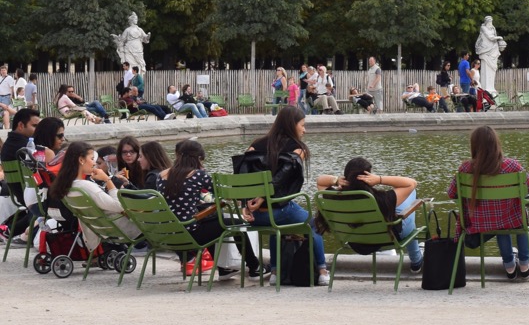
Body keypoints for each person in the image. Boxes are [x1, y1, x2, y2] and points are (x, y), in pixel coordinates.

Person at [244, 106, 328, 285]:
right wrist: (264, 196)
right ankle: (322, 271)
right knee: (314, 225)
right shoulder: (298, 149)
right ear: (292, 125)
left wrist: (246, 204)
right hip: (278, 210)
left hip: (253, 216)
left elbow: (243, 178)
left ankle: (275, 273)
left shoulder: (255, 145)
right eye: (302, 125)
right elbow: (281, 177)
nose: (304, 130)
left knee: (279, 227)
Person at [157, 139, 264, 278]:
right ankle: (255, 267)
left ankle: (223, 269)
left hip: (171, 234)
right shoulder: (197, 175)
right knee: (236, 224)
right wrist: (248, 201)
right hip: (191, 234)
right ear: (198, 158)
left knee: (212, 222)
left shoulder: (161, 176)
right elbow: (225, 194)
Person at [447, 126, 529, 280]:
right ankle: (524, 265)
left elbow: (451, 194)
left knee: (500, 221)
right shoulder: (511, 166)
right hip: (510, 219)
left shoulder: (465, 168)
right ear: (496, 143)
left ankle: (509, 267)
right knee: (517, 215)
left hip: (480, 224)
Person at [317, 157, 422, 272]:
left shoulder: (335, 197)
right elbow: (411, 183)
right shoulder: (381, 199)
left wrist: (336, 180)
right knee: (409, 201)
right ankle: (416, 262)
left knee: (397, 207)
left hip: (356, 243)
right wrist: (380, 179)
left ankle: (415, 260)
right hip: (388, 238)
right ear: (369, 176)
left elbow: (320, 181)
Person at [46, 141, 142, 252]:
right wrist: (107, 179)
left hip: (100, 229)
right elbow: (118, 206)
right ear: (81, 160)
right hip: (120, 228)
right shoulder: (86, 186)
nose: (94, 164)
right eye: (92, 159)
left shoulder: (67, 186)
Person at [474, 16, 506, 93]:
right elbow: (490, 37)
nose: (490, 23)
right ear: (486, 22)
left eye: (491, 21)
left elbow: (493, 36)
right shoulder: (483, 28)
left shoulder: (492, 28)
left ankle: (491, 88)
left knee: (492, 69)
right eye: (489, 21)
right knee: (487, 68)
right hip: (486, 49)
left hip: (492, 49)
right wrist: (499, 37)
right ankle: (487, 89)